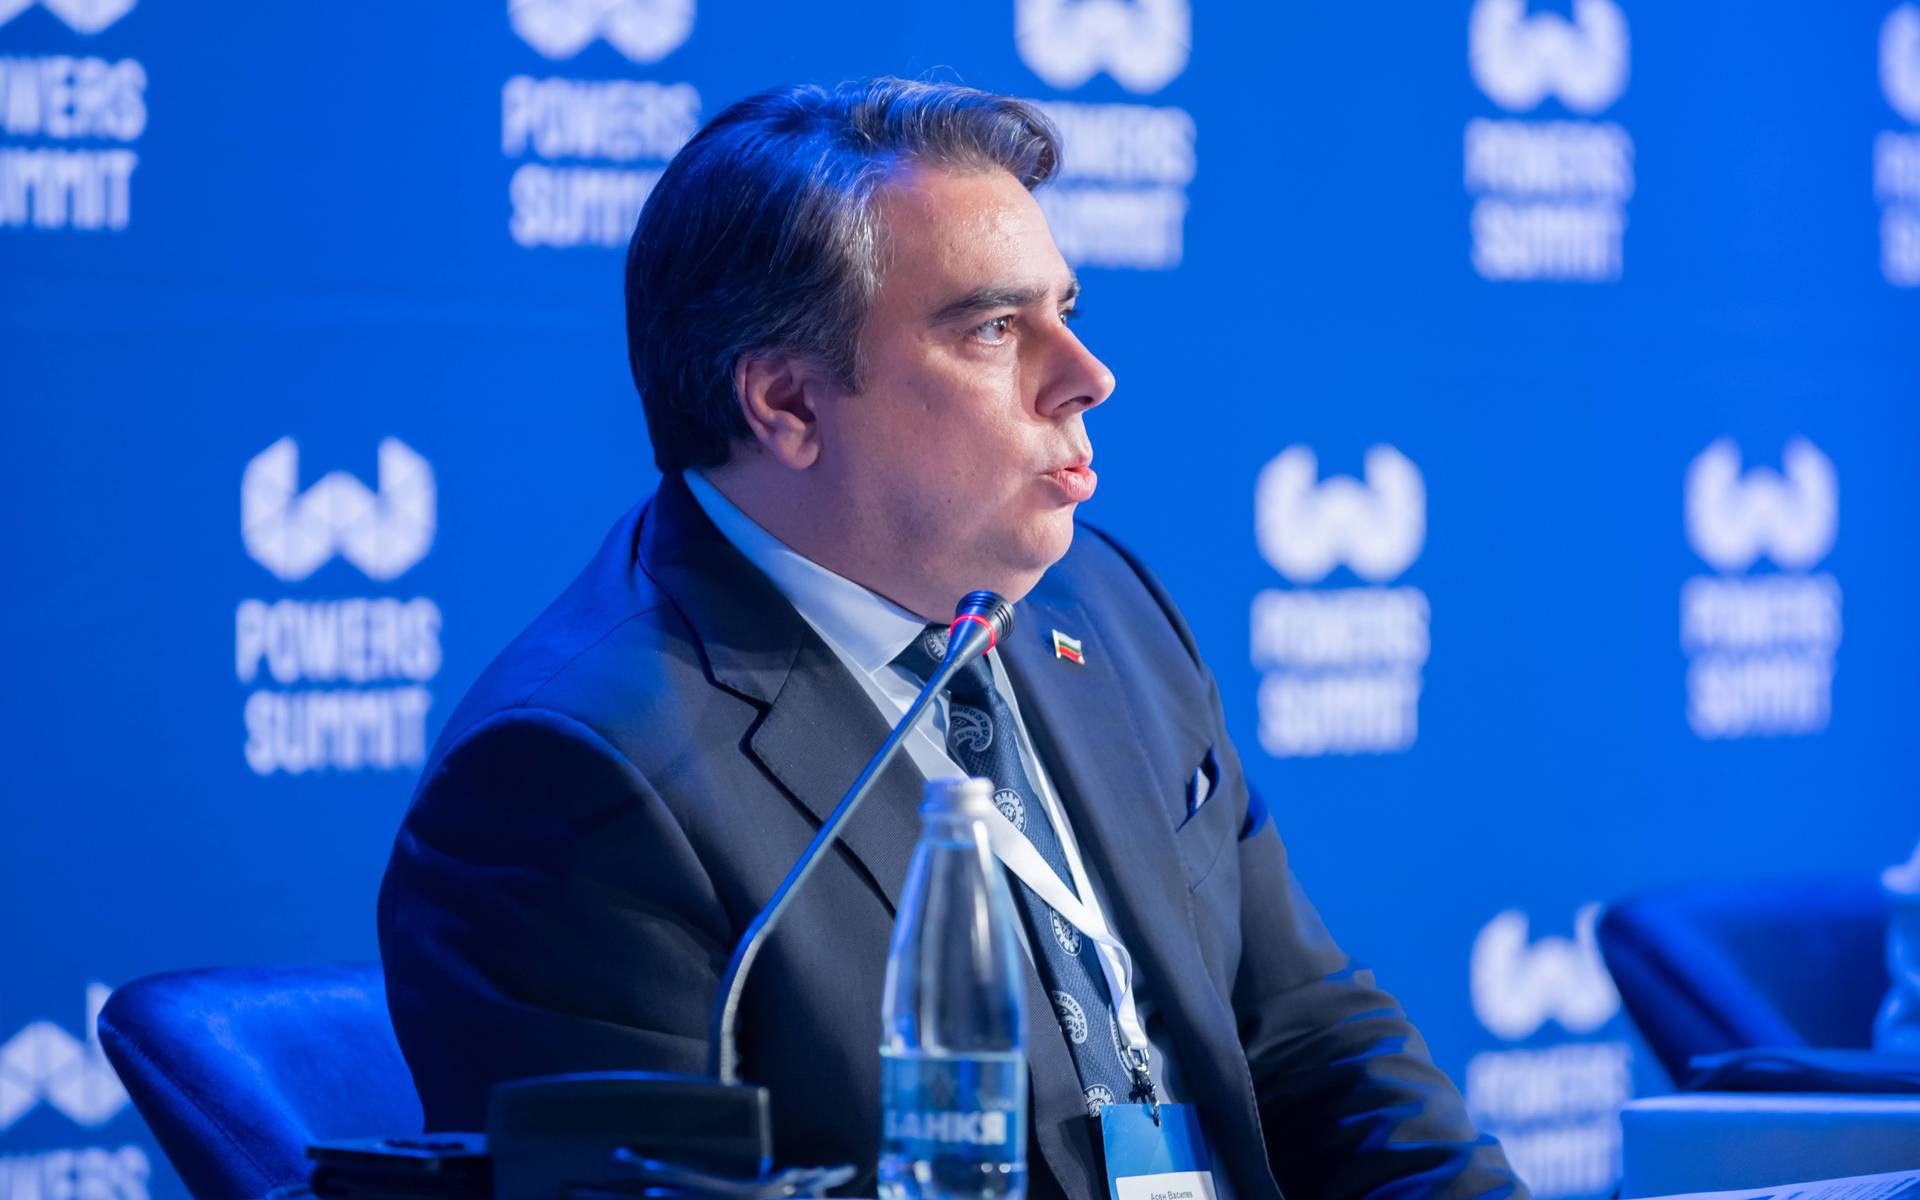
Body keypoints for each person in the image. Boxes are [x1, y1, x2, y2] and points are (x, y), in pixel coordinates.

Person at [378, 78, 1524, 1200]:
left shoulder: (1105, 604)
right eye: (995, 328)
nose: (1088, 377)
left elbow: (1311, 1038)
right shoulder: (574, 780)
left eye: (1066, 313)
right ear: (788, 404)